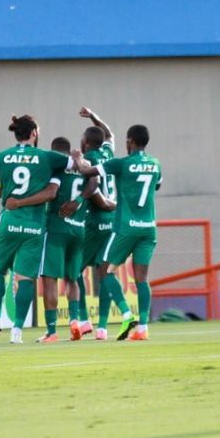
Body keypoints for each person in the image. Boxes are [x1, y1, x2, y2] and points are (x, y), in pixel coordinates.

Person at [0, 115, 75, 345]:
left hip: (9, 221)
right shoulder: (46, 157)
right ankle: (17, 331)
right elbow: (76, 166)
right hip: (34, 226)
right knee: (25, 278)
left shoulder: (1, 157)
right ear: (33, 133)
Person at [72, 124, 163, 341]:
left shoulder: (121, 164)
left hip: (125, 228)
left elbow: (86, 171)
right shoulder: (155, 163)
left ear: (130, 141)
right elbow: (157, 186)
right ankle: (142, 327)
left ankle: (126, 312)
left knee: (105, 271)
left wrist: (76, 157)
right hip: (149, 229)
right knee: (142, 277)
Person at [29, 137, 112, 343]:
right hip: (79, 231)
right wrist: (79, 201)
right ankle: (75, 321)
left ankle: (52, 331)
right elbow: (95, 183)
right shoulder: (84, 168)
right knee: (72, 278)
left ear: (55, 152)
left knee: (49, 279)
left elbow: (52, 192)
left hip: (56, 228)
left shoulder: (57, 168)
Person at [77, 108, 124, 341]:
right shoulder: (109, 153)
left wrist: (98, 203)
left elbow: (92, 187)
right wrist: (94, 115)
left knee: (73, 269)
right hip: (112, 222)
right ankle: (103, 327)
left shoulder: (87, 161)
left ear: (85, 142)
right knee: (104, 272)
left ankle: (84, 319)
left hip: (95, 221)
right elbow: (110, 133)